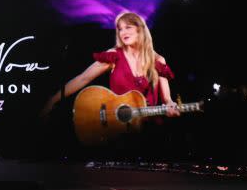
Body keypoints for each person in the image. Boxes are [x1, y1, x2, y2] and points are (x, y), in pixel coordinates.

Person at [41, 11, 181, 119]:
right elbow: (83, 78)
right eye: (119, 29)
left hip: (149, 126)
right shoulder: (114, 56)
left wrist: (170, 105)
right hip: (117, 126)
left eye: (128, 27)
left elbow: (167, 99)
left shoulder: (158, 60)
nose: (123, 32)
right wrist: (53, 99)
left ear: (141, 30)